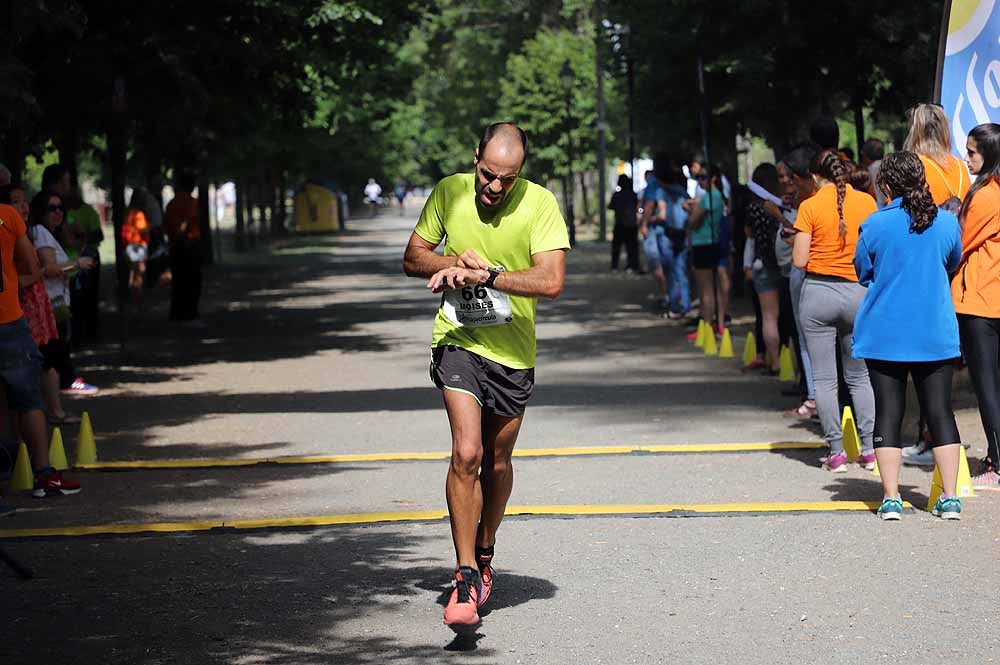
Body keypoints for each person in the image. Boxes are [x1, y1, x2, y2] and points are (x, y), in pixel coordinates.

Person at [402, 122, 569, 629]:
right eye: (487, 174)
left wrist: (490, 275)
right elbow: (412, 257)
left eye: (507, 179)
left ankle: (486, 547)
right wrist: (452, 262)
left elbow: (552, 280)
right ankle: (466, 571)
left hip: (513, 353)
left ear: (522, 174)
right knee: (467, 452)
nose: (494, 187)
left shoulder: (540, 204)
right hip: (458, 340)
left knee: (497, 462)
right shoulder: (449, 192)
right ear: (475, 158)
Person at [853, 151, 964, 519]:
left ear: (885, 185)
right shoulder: (948, 224)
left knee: (888, 412)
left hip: (885, 332)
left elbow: (863, 272)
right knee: (940, 412)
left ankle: (890, 498)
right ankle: (949, 497)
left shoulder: (873, 225)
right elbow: (952, 262)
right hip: (935, 331)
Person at [792, 149, 877, 472]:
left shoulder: (809, 206)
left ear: (815, 176)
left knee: (825, 379)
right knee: (860, 376)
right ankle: (869, 449)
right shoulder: (867, 203)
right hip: (858, 292)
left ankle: (837, 453)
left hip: (818, 294)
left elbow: (800, 261)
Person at [0, 202, 81, 497]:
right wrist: (10, 281)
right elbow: (33, 267)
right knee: (28, 397)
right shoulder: (6, 216)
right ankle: (44, 473)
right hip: (6, 318)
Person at [0, 185, 74, 425]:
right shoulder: (9, 222)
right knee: (27, 381)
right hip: (17, 311)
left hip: (31, 306)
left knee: (43, 363)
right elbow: (29, 272)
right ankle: (34, 452)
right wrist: (42, 270)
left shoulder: (25, 230)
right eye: (15, 201)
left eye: (24, 201)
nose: (22, 206)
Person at [952, 123, 1000, 492]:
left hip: (982, 299)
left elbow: (960, 243)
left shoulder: (984, 195)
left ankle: (998, 465)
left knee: (987, 386)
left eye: (971, 152)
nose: (966, 158)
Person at [28, 192, 98, 397]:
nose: (58, 212)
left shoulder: (48, 233)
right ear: (41, 211)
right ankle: (67, 384)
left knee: (58, 347)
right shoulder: (41, 232)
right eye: (52, 208)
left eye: (60, 208)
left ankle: (63, 386)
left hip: (56, 300)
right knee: (56, 349)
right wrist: (78, 264)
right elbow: (49, 269)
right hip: (52, 302)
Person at [777, 151, 817, 419]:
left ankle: (816, 399)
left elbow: (800, 255)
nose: (787, 182)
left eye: (790, 177)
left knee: (808, 339)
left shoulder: (809, 205)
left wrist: (791, 234)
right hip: (843, 283)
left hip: (811, 276)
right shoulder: (852, 198)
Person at [744, 164, 786, 374]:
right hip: (784, 264)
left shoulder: (754, 207)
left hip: (762, 263)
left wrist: (746, 264)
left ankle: (775, 362)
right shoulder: (784, 205)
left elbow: (749, 238)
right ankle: (790, 362)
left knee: (768, 316)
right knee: (786, 318)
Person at [686, 163, 729, 335]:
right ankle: (716, 323)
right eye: (698, 177)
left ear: (714, 178)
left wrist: (689, 210)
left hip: (703, 244)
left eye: (703, 177)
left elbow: (693, 222)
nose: (700, 181)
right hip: (713, 243)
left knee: (705, 289)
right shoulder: (717, 196)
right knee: (714, 287)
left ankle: (706, 325)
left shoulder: (709, 197)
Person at [904, 103, 970, 213]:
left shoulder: (912, 165)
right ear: (944, 130)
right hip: (957, 229)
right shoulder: (960, 166)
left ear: (915, 131)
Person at [64, 186, 103, 342]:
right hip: (70, 264)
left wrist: (82, 238)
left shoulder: (88, 211)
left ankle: (91, 333)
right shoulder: (63, 212)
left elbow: (98, 234)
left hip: (88, 257)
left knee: (90, 296)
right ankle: (77, 335)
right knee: (74, 300)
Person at [164, 173, 204, 323]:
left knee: (178, 282)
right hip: (189, 245)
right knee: (193, 281)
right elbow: (188, 222)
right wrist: (184, 237)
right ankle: (191, 314)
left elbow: (166, 226)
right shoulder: (192, 202)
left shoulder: (171, 204)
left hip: (175, 246)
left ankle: (176, 314)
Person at [122, 189, 151, 303]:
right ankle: (136, 299)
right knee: (139, 272)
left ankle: (131, 297)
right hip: (138, 246)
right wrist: (150, 227)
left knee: (132, 272)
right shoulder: (139, 214)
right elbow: (142, 230)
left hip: (129, 246)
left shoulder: (128, 212)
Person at [608, 174, 639, 272]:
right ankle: (631, 265)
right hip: (631, 225)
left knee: (616, 247)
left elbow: (610, 206)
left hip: (619, 224)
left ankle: (614, 266)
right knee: (631, 246)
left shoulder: (617, 195)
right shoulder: (633, 195)